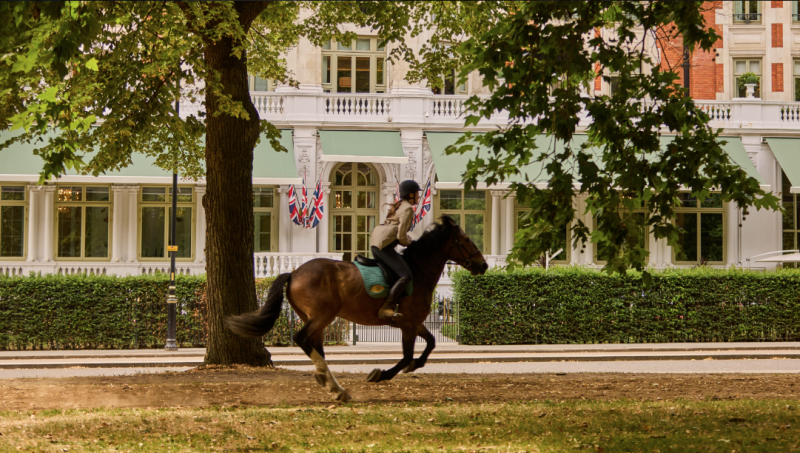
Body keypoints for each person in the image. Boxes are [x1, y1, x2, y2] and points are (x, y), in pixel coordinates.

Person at [369, 180, 421, 320]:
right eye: (417, 193)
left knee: (393, 273)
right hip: (383, 245)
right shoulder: (408, 209)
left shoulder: (399, 205)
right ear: (411, 195)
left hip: (376, 243)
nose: (419, 196)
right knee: (406, 276)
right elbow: (401, 236)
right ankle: (386, 307)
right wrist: (411, 243)